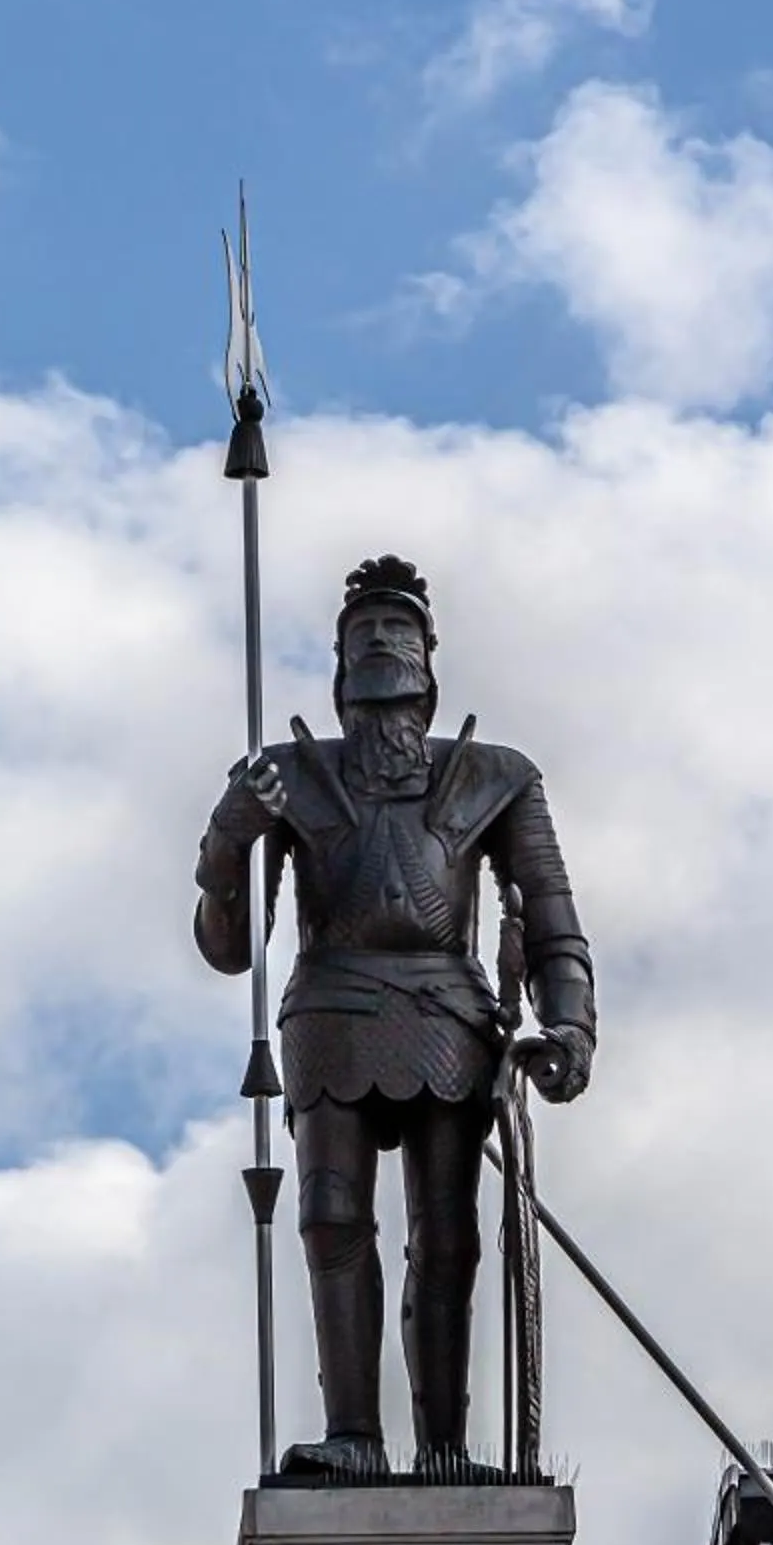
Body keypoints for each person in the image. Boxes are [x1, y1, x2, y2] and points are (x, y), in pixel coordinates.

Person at [194, 556, 595, 1482]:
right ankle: (355, 1434)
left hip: (447, 1009)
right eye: (363, 633)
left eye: (398, 630)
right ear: (339, 667)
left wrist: (570, 1023)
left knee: (446, 1230)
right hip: (331, 1003)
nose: (381, 643)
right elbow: (230, 942)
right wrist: (227, 838)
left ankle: (447, 1446)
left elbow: (551, 910)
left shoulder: (494, 776)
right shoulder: (285, 777)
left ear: (428, 659)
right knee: (331, 1218)